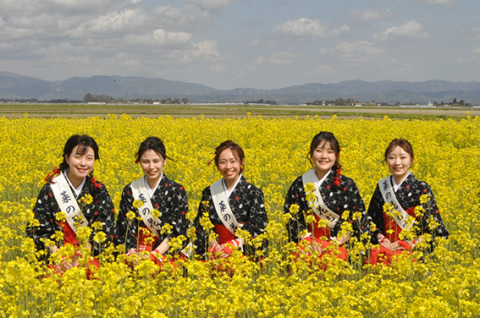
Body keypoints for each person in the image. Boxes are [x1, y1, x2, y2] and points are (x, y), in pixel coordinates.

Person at [26, 135, 115, 271]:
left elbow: (106, 229)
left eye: (89, 158)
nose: (83, 163)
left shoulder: (98, 190)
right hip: (56, 256)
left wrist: (83, 253)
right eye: (78, 157)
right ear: (67, 158)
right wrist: (58, 256)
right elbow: (38, 228)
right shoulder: (52, 188)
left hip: (87, 256)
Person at [283, 131, 370, 262]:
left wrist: (340, 240)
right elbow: (291, 217)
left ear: (336, 155)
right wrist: (307, 239)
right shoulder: (300, 184)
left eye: (330, 152)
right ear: (311, 154)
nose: (324, 156)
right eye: (319, 151)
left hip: (338, 244)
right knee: (301, 257)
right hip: (308, 243)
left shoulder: (347, 184)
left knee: (336, 259)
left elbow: (358, 217)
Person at [367, 138, 449, 265]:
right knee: (376, 255)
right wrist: (380, 238)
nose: (397, 162)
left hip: (412, 248)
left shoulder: (421, 188)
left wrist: (410, 243)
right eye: (392, 157)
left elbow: (434, 228)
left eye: (403, 157)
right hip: (387, 245)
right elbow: (371, 220)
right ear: (386, 160)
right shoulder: (382, 187)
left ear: (411, 160)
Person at [115, 137, 189, 264]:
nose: (151, 167)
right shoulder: (131, 190)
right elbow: (124, 228)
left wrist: (155, 254)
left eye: (156, 161)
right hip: (136, 253)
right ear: (139, 162)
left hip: (164, 252)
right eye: (145, 162)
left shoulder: (176, 190)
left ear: (164, 161)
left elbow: (179, 230)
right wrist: (132, 253)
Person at [193, 140, 268, 259]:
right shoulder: (209, 192)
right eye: (223, 162)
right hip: (215, 250)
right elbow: (202, 222)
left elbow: (258, 225)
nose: (228, 167)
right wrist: (214, 245)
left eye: (233, 161)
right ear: (217, 165)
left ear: (241, 162)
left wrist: (234, 244)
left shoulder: (253, 192)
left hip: (243, 250)